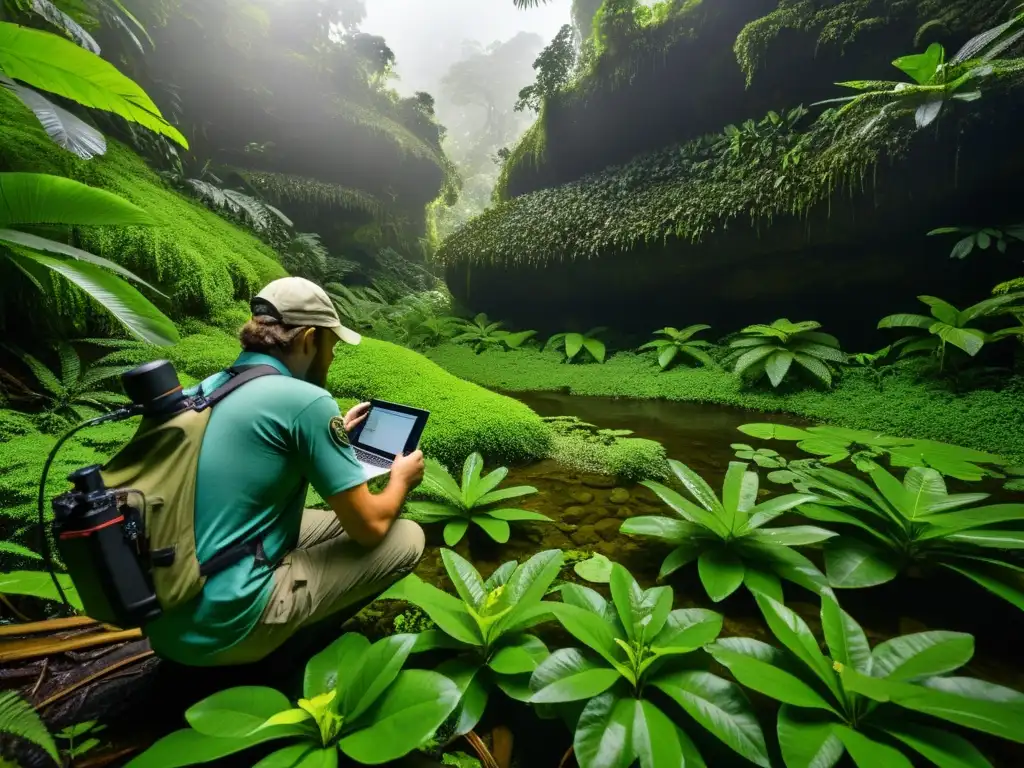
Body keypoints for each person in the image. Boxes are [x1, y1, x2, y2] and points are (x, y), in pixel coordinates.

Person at [143, 277, 426, 666]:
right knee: (406, 535)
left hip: (167, 610)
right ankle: (289, 648)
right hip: (226, 629)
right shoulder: (306, 401)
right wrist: (400, 479)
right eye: (331, 345)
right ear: (309, 338)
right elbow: (370, 527)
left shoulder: (208, 387)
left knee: (325, 521)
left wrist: (332, 436)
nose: (331, 357)